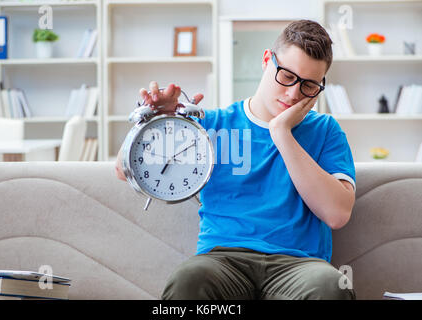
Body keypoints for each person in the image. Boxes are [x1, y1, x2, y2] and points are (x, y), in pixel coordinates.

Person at [115, 20, 356, 300]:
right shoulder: (210, 125)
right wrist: (151, 118)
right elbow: (123, 170)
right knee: (188, 280)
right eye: (287, 76)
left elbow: (337, 214)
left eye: (309, 86)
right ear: (268, 60)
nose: (293, 94)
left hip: (300, 266)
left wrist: (281, 132)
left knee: (330, 286)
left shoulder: (325, 130)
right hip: (222, 260)